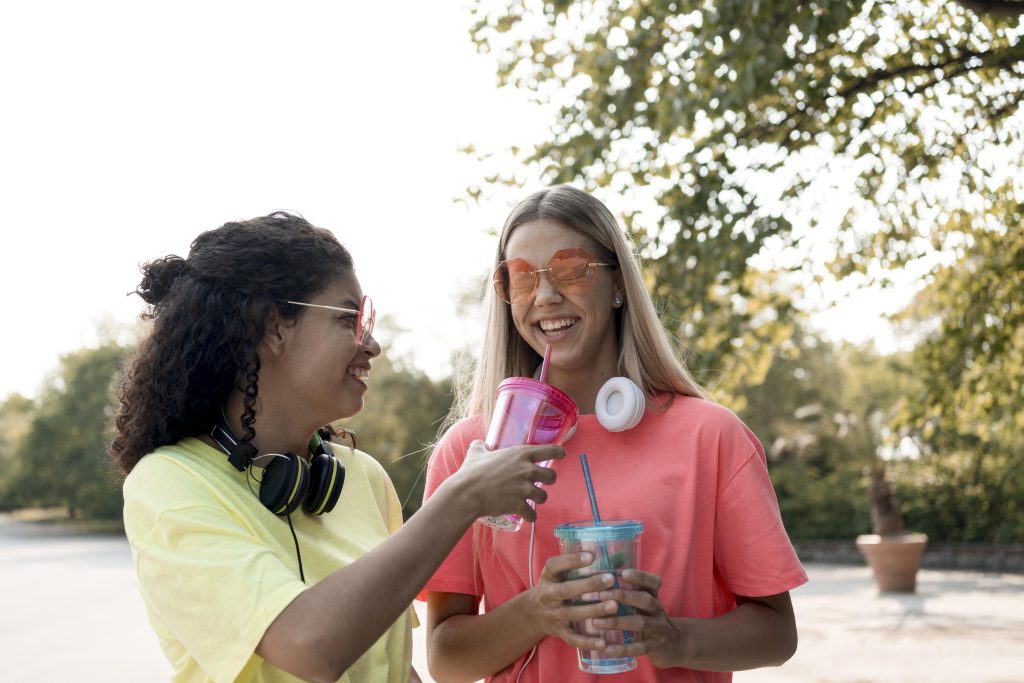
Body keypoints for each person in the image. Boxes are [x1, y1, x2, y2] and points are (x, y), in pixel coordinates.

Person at [108, 212, 564, 683]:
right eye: (349, 318)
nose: (372, 345)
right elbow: (309, 647)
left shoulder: (361, 476)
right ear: (273, 327)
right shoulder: (168, 484)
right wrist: (461, 497)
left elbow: (393, 668)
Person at [421, 186, 808, 682]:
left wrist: (677, 639)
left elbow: (778, 635)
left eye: (571, 270)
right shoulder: (471, 452)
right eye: (521, 279)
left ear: (619, 284)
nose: (545, 296)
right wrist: (536, 612)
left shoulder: (711, 436)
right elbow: (445, 661)